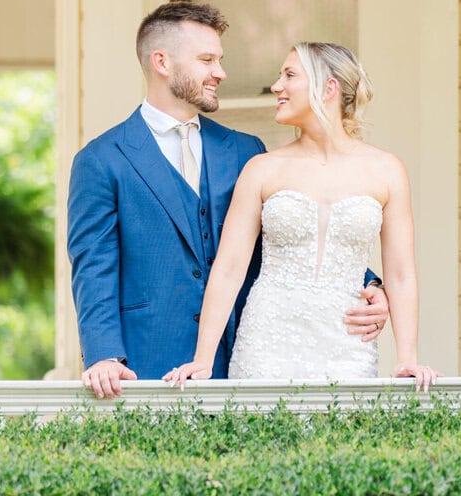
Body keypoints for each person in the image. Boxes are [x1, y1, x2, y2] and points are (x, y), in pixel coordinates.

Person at [68, 4, 389, 399]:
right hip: (143, 362)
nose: (220, 72)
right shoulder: (101, 160)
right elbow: (93, 266)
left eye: (219, 60)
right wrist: (103, 355)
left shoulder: (243, 151)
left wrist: (369, 283)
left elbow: (276, 236)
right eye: (207, 60)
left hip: (243, 353)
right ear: (161, 62)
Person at [164, 42, 438, 391]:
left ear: (329, 88)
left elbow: (400, 274)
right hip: (267, 342)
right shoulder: (262, 169)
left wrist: (407, 359)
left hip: (348, 343)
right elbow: (229, 268)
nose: (276, 86)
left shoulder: (387, 171)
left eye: (289, 75)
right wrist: (203, 360)